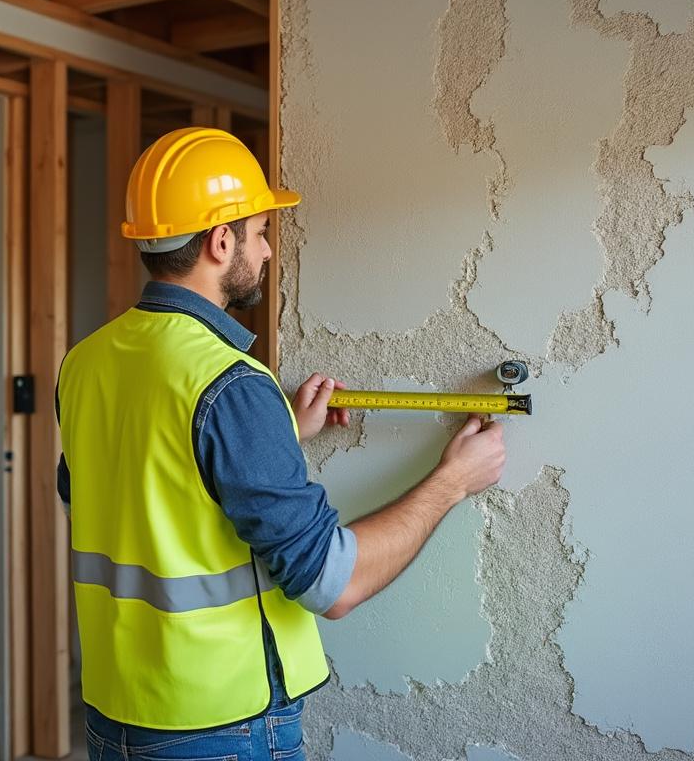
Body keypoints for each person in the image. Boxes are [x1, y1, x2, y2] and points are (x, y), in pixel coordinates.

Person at [56, 127, 506, 761]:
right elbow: (333, 583)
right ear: (221, 241)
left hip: (115, 716)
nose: (268, 251)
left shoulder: (86, 362)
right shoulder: (230, 383)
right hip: (219, 727)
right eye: (261, 232)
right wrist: (453, 480)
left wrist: (277, 433)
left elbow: (134, 486)